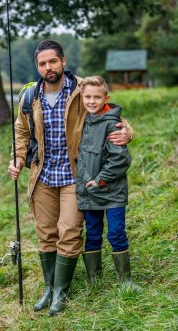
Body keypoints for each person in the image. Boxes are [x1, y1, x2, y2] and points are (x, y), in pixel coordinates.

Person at [8, 40, 133, 315]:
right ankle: (49, 288)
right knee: (45, 233)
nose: (48, 67)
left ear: (63, 61)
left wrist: (128, 130)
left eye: (53, 61)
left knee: (69, 231)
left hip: (74, 176)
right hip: (42, 176)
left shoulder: (81, 88)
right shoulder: (30, 97)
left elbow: (108, 110)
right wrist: (17, 158)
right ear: (37, 67)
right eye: (42, 63)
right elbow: (21, 131)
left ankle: (61, 294)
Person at [76, 76, 139, 289]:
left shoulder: (113, 124)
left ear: (106, 97)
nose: (92, 101)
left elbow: (120, 158)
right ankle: (94, 280)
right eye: (88, 97)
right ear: (81, 98)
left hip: (111, 192)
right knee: (92, 234)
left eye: (97, 97)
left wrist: (101, 180)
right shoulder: (82, 121)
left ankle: (126, 281)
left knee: (116, 233)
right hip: (89, 191)